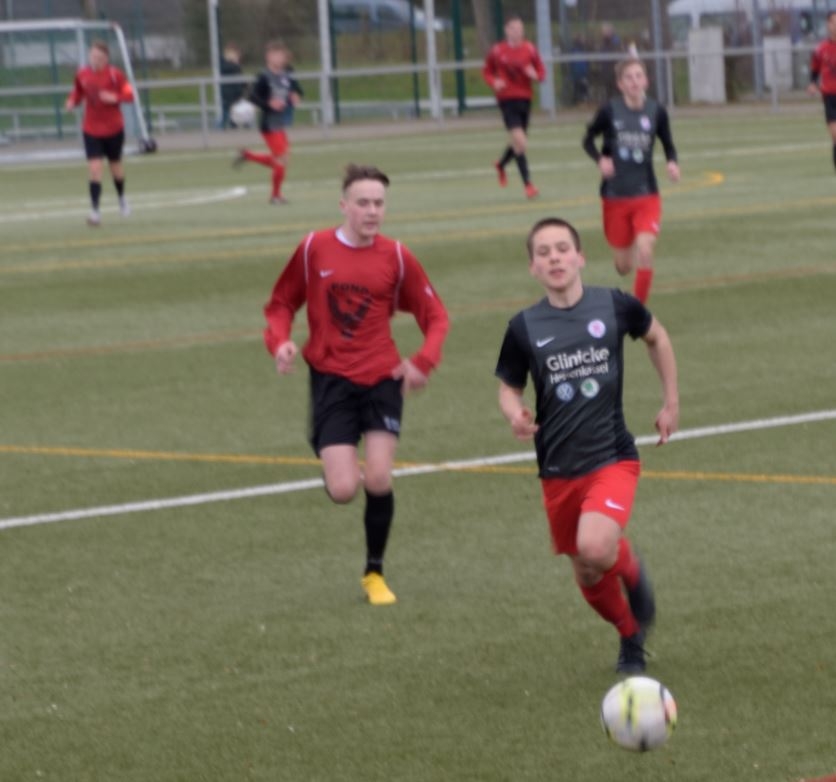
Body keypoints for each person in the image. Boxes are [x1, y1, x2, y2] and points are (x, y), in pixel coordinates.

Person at [494, 216, 679, 673]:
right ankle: (630, 635)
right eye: (543, 252)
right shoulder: (524, 327)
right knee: (586, 569)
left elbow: (657, 336)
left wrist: (670, 401)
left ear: (580, 257)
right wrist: (515, 413)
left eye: (562, 248)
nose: (554, 258)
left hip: (611, 457)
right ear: (533, 268)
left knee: (596, 547)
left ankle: (631, 570)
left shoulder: (614, 305)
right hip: (558, 470)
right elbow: (509, 387)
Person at [263, 164, 450, 606]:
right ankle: (333, 461)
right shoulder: (314, 248)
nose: (372, 211)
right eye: (363, 203)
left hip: (383, 378)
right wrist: (280, 342)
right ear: (343, 205)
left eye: (379, 203)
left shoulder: (396, 257)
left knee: (379, 477)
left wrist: (423, 361)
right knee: (344, 489)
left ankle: (374, 573)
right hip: (331, 380)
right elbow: (281, 302)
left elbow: (436, 316)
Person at [582, 58, 680, 304]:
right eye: (629, 77)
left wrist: (672, 163)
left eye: (638, 76)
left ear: (646, 81)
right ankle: (630, 248)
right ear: (620, 84)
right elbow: (588, 139)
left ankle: (637, 311)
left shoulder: (657, 111)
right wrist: (600, 160)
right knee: (624, 266)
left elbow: (668, 144)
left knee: (645, 251)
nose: (634, 81)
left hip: (647, 195)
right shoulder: (609, 111)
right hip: (614, 197)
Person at [64, 39, 134, 227]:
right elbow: (77, 92)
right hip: (91, 130)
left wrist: (114, 97)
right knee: (95, 169)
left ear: (106, 58)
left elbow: (129, 95)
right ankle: (95, 212)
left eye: (98, 57)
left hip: (113, 129)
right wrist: (71, 101)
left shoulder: (115, 75)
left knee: (115, 167)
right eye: (92, 56)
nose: (94, 59)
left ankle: (122, 199)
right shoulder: (82, 74)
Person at [482, 15, 546, 199]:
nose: (518, 32)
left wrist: (535, 75)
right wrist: (494, 82)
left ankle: (501, 164)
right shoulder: (497, 50)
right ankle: (528, 185)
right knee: (521, 142)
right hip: (507, 100)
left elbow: (541, 72)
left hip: (525, 100)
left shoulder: (530, 49)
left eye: (520, 29)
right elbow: (487, 71)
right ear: (507, 30)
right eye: (514, 29)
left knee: (518, 142)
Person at [233, 41, 303, 204]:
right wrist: (268, 104)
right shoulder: (263, 77)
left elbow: (296, 88)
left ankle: (248, 155)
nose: (280, 59)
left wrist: (295, 94)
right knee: (281, 160)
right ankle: (275, 196)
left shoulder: (287, 74)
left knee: (283, 160)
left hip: (280, 123)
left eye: (282, 55)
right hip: (269, 124)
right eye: (276, 55)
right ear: (269, 57)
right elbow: (253, 97)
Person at [806, 10, 836, 173]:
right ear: (828, 25)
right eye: (833, 22)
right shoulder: (821, 49)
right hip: (830, 97)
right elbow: (815, 69)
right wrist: (812, 83)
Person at [217, 43, 245, 130]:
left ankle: (234, 127)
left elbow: (239, 76)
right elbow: (227, 70)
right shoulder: (224, 63)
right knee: (226, 113)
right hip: (228, 93)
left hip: (236, 93)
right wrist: (235, 64)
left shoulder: (236, 65)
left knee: (234, 113)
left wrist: (245, 86)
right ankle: (219, 129)